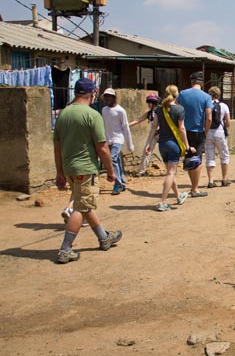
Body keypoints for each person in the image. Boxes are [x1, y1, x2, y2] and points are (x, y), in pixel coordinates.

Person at [53, 78, 122, 264]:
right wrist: (110, 171)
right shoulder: (92, 115)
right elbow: (102, 148)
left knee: (84, 203)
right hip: (86, 168)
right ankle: (65, 249)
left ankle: (103, 237)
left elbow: (57, 146)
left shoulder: (63, 114)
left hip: (69, 168)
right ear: (92, 94)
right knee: (81, 207)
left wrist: (59, 172)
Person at [145, 85, 191, 211]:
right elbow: (181, 128)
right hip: (174, 144)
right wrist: (187, 145)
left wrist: (148, 144)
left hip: (162, 144)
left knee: (170, 172)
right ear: (176, 95)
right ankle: (162, 202)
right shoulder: (180, 109)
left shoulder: (159, 110)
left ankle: (178, 195)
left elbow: (154, 127)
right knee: (171, 173)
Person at [176, 71, 212, 198]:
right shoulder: (206, 97)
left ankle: (193, 186)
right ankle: (195, 189)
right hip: (198, 131)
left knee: (188, 158)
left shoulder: (182, 94)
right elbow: (209, 117)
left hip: (184, 131)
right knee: (197, 159)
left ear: (191, 81)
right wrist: (206, 132)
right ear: (202, 83)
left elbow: (175, 110)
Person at [101, 88, 134, 194]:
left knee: (112, 159)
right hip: (108, 139)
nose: (107, 99)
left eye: (109, 96)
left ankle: (118, 184)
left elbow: (126, 127)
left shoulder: (120, 111)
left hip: (118, 139)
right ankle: (122, 182)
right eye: (106, 97)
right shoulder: (104, 110)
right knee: (117, 161)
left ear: (114, 98)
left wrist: (130, 144)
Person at [205, 86, 231, 188]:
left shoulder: (206, 105)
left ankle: (211, 181)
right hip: (220, 132)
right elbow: (228, 123)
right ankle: (224, 179)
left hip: (209, 132)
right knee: (224, 154)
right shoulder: (224, 106)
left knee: (209, 155)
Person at [129, 93, 160, 176]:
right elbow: (138, 120)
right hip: (153, 134)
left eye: (150, 103)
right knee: (146, 151)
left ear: (154, 103)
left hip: (163, 134)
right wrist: (127, 125)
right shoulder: (149, 113)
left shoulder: (160, 111)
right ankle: (142, 171)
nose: (149, 105)